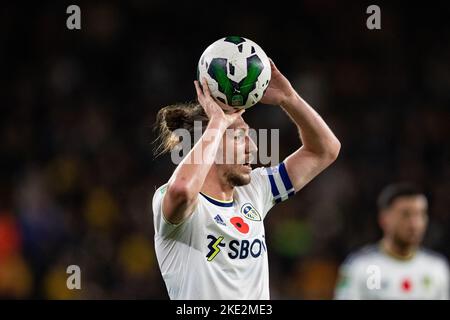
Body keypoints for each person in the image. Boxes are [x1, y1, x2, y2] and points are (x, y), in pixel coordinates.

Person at [152, 59, 341, 299]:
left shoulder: (255, 190)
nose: (252, 147)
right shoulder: (171, 202)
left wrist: (289, 98)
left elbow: (325, 150)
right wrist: (218, 124)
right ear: (210, 144)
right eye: (239, 136)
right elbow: (181, 190)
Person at [335, 183, 449, 299]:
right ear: (384, 219)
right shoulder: (359, 266)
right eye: (406, 214)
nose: (415, 224)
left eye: (420, 214)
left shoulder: (437, 268)